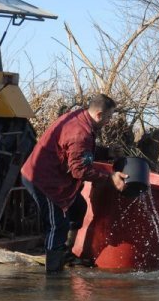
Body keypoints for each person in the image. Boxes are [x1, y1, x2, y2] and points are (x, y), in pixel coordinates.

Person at [21, 94, 128, 274]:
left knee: (78, 207)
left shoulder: (81, 118)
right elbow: (80, 170)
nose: (110, 121)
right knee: (58, 225)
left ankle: (67, 253)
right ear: (99, 115)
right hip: (43, 180)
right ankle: (53, 274)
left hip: (56, 176)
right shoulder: (81, 133)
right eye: (109, 117)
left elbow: (80, 153)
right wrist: (110, 178)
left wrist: (107, 152)